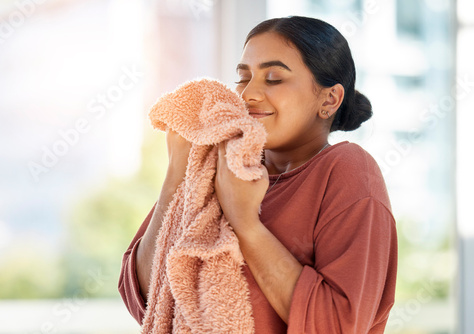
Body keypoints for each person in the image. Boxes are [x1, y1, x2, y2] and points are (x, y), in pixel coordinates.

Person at [119, 16, 397, 333]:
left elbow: (337, 325)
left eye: (274, 78)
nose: (249, 94)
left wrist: (246, 224)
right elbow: (146, 301)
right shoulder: (219, 163)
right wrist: (176, 177)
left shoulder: (347, 169)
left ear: (329, 99)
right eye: (243, 78)